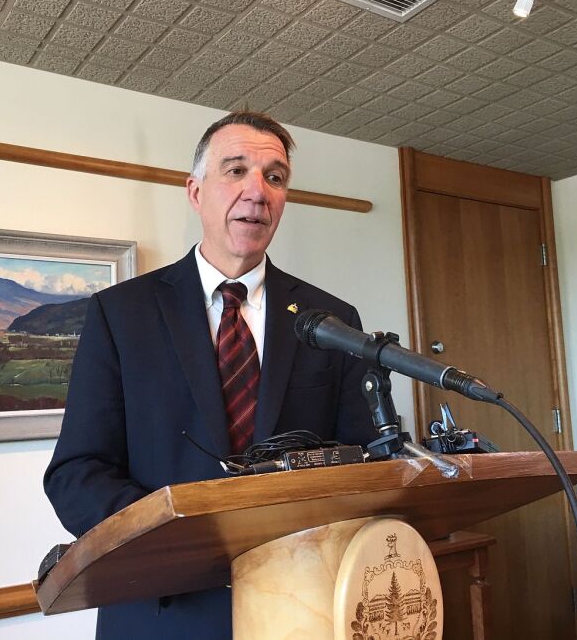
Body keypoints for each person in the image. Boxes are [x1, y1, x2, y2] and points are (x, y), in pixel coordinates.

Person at [44, 111, 375, 639]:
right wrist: (183, 536)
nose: (257, 191)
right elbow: (77, 473)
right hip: (161, 608)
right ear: (196, 192)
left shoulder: (331, 321)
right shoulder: (120, 313)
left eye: (275, 176)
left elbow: (364, 462)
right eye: (236, 170)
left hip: (303, 605)